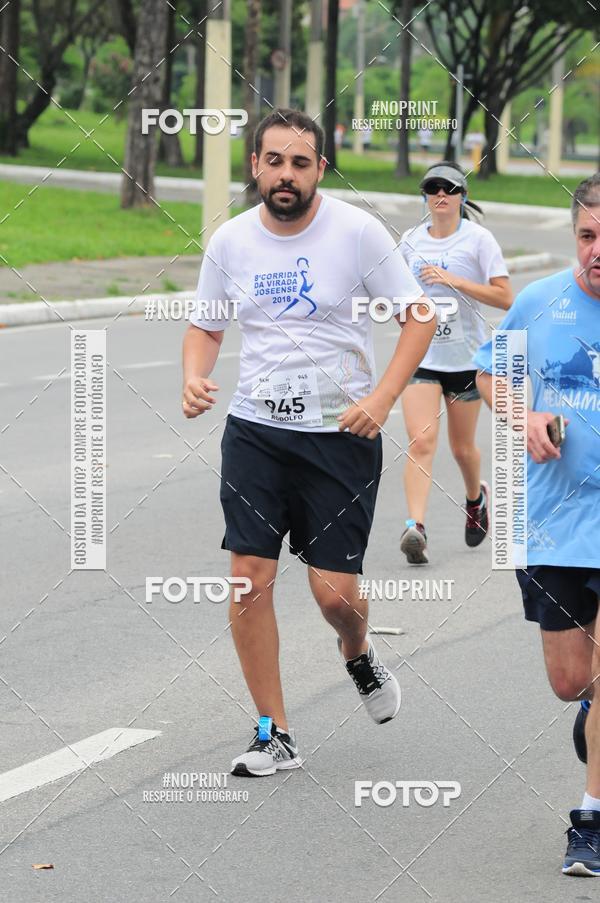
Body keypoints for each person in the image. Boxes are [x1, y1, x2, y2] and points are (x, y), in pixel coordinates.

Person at [182, 108, 435, 777]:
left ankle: (357, 649)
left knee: (334, 596)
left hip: (340, 434)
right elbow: (205, 326)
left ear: (320, 167)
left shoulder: (355, 232)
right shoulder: (231, 241)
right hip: (256, 432)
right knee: (248, 580)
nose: (286, 174)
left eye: (301, 162)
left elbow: (419, 315)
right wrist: (193, 376)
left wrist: (381, 399)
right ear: (255, 166)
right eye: (274, 161)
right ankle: (275, 733)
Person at [474, 172, 600, 877]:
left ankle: (590, 818)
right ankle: (591, 714)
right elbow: (492, 374)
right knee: (570, 679)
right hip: (553, 522)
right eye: (587, 235)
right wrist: (521, 416)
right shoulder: (539, 303)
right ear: (573, 236)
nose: (596, 250)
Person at [398, 161, 512, 564]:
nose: (440, 195)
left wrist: (455, 282)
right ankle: (416, 528)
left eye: (449, 188)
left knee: (462, 448)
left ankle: (475, 499)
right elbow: (396, 293)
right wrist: (400, 312)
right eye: (432, 189)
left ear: (463, 197)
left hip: (465, 361)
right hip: (422, 357)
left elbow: (505, 297)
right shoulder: (410, 241)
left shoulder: (479, 240)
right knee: (421, 441)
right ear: (425, 197)